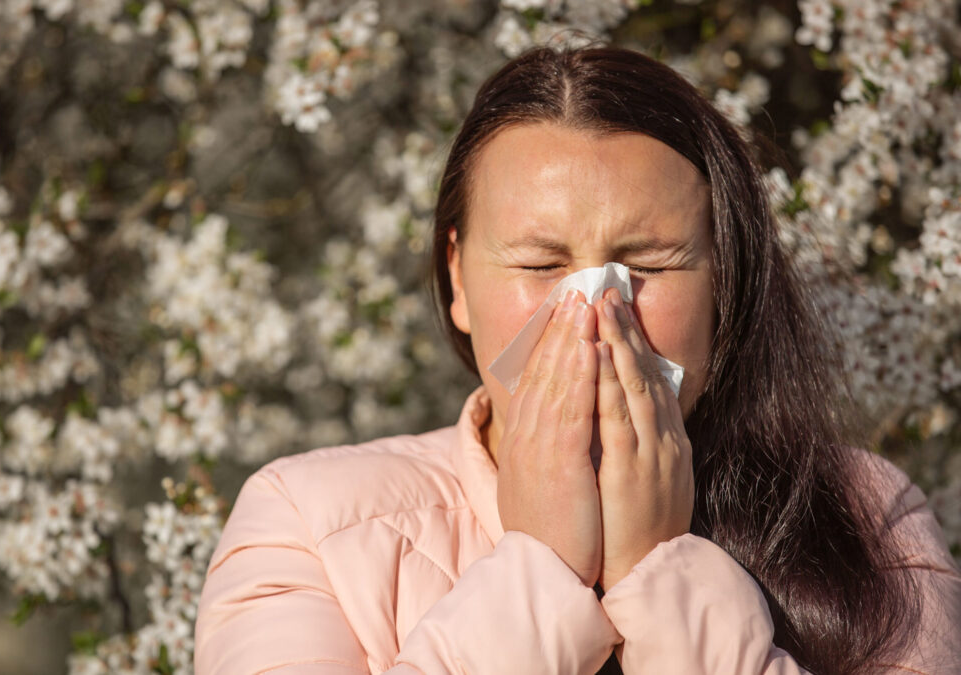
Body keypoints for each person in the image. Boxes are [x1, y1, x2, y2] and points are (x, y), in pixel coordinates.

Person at [194, 45, 961, 674]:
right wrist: (542, 567)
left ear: (723, 280)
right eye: (539, 264)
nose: (596, 312)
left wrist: (661, 576)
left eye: (649, 264)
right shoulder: (310, 526)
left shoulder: (866, 514)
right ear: (459, 278)